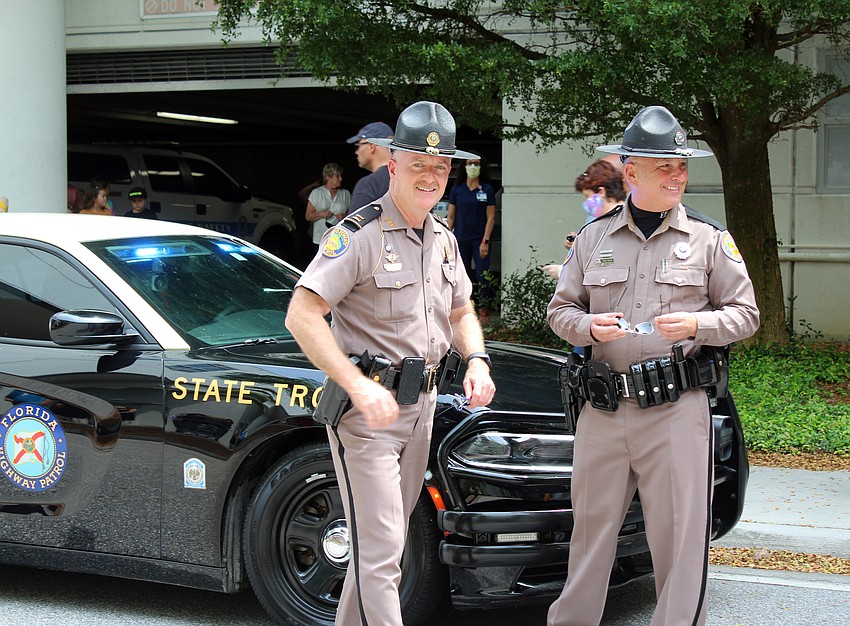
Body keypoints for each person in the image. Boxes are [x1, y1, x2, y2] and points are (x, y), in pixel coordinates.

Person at [546, 105, 760, 626]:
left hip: (674, 411)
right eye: (665, 166)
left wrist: (697, 326)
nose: (678, 175)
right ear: (630, 170)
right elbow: (560, 310)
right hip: (603, 410)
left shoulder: (708, 239)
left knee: (680, 543)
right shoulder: (594, 238)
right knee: (589, 541)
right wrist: (587, 329)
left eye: (682, 166)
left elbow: (746, 315)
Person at [285, 101, 496, 626]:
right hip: (368, 419)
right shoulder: (358, 235)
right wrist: (356, 385)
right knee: (381, 556)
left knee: (383, 548)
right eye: (419, 165)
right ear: (394, 167)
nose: (431, 176)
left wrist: (477, 360)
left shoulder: (444, 240)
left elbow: (462, 308)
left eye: (440, 167)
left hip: (420, 409)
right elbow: (302, 315)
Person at [542, 159, 627, 279]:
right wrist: (579, 245)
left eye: (587, 196)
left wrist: (564, 273)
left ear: (601, 192)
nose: (586, 202)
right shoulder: (601, 222)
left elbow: (607, 269)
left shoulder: (623, 222)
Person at [446, 156, 497, 318]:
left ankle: (484, 310)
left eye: (476, 164)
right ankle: (465, 308)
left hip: (479, 240)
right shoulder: (457, 189)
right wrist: (447, 238)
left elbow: (491, 218)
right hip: (461, 238)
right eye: (470, 163)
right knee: (462, 274)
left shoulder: (486, 189)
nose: (473, 166)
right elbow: (451, 216)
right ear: (464, 166)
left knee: (483, 275)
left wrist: (486, 241)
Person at [345, 120, 394, 215]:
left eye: (358, 146)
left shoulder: (369, 184)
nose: (356, 152)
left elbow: (352, 228)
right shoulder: (407, 178)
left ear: (371, 146)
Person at [305, 163, 350, 257]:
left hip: (340, 241)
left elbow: (354, 214)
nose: (341, 179)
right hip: (320, 240)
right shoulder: (316, 193)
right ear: (328, 177)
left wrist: (344, 217)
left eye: (340, 176)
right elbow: (308, 216)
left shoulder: (345, 194)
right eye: (337, 176)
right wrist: (321, 214)